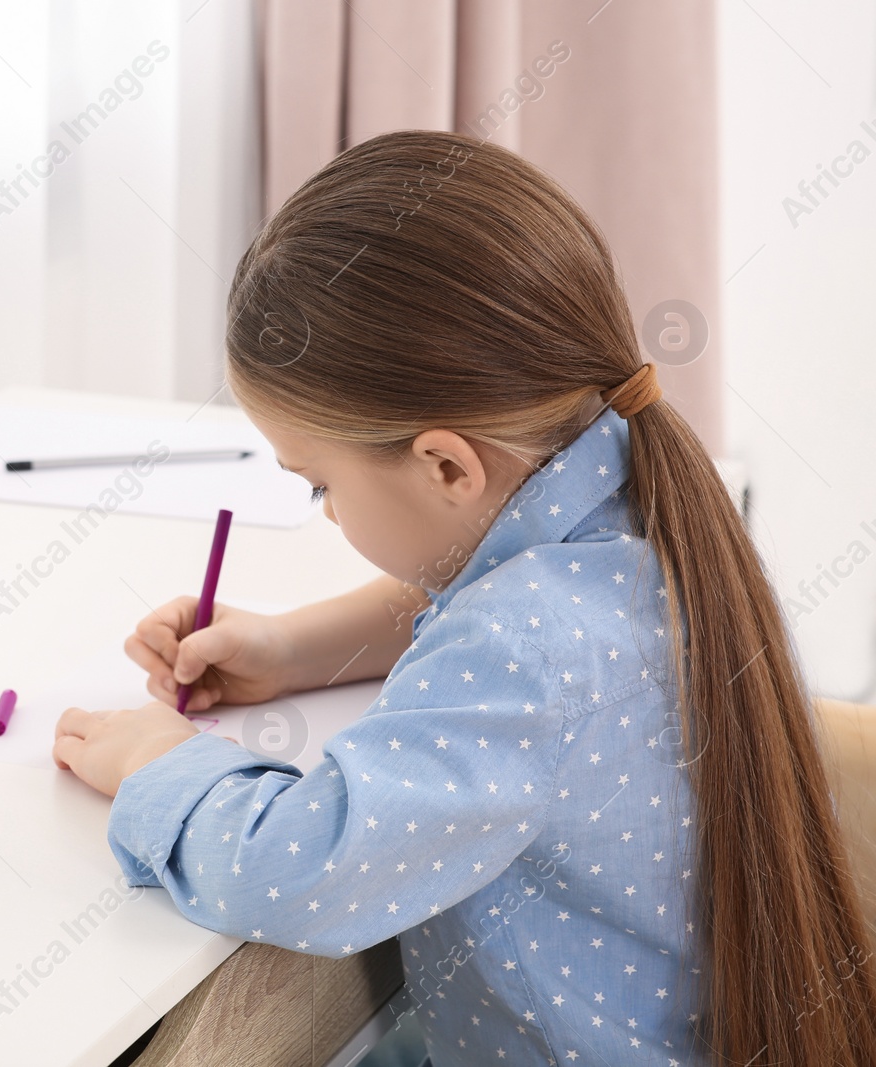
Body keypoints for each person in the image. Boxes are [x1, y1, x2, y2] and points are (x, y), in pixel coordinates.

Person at [52, 130, 876, 1065]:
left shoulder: (525, 649)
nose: (323, 512)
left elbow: (305, 870)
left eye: (318, 484)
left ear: (445, 464)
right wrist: (294, 648)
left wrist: (160, 764)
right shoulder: (629, 498)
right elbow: (481, 597)